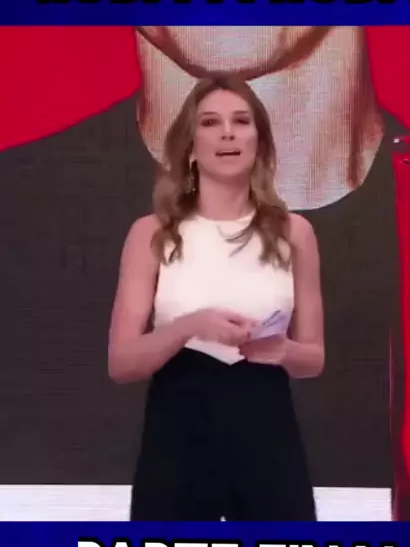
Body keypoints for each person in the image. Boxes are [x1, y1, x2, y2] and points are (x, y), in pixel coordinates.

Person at [108, 75, 324, 521]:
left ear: (259, 141)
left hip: (267, 426)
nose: (228, 133)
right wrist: (191, 326)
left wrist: (281, 350)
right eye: (210, 122)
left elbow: (314, 357)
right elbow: (122, 363)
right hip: (178, 429)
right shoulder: (151, 234)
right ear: (191, 144)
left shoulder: (295, 233)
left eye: (241, 121)